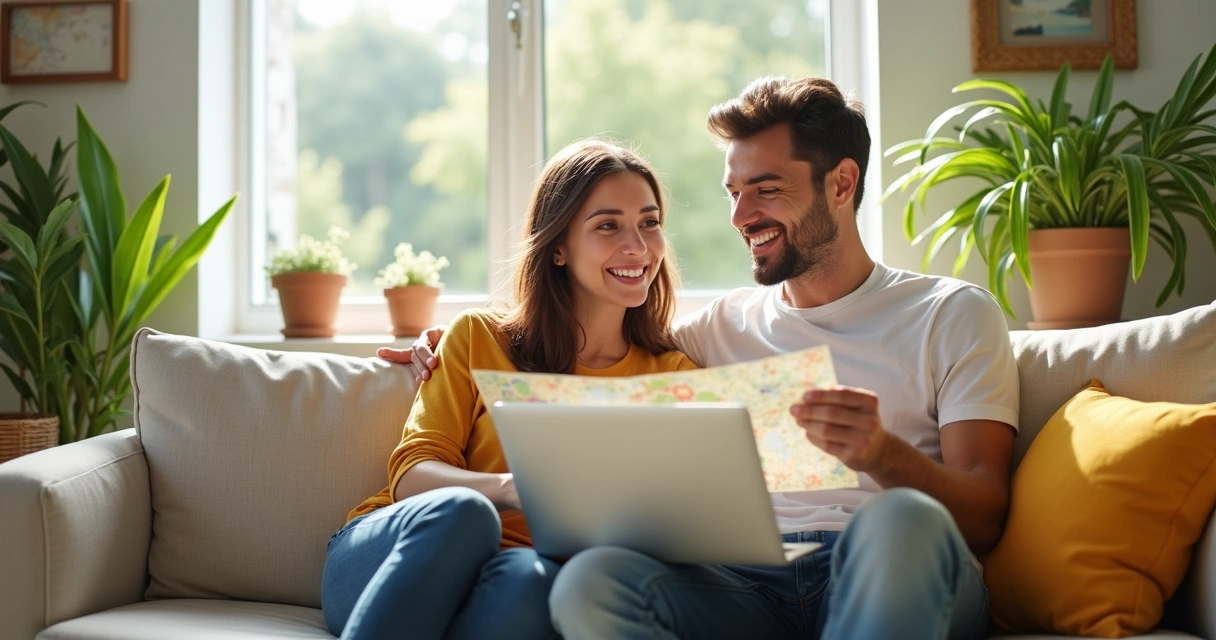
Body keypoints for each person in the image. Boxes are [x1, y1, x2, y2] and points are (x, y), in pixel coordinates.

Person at [382, 76, 1019, 640]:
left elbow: (984, 518)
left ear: (842, 183)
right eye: (733, 191)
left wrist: (883, 454)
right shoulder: (711, 335)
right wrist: (463, 341)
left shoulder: (950, 313)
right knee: (592, 579)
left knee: (901, 519)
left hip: (894, 563)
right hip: (751, 583)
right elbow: (598, 344)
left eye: (765, 189)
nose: (741, 215)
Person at [322, 139, 697, 640]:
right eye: (608, 225)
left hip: (511, 579)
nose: (638, 246)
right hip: (393, 559)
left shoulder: (672, 378)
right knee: (466, 513)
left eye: (650, 223)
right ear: (558, 246)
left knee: (533, 583)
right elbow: (410, 478)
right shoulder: (479, 337)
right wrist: (510, 488)